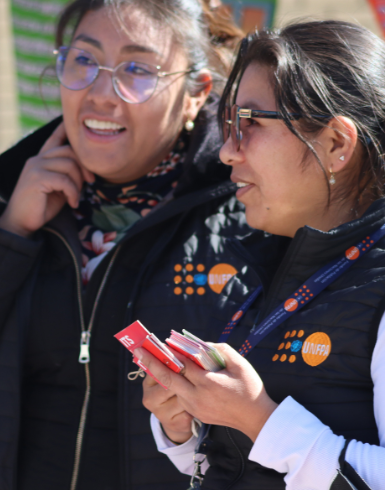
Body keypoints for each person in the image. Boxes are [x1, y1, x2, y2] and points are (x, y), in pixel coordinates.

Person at [0, 0, 252, 488]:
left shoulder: (247, 217)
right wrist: (8, 232)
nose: (102, 93)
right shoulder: (18, 206)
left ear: (195, 94)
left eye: (137, 69)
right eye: (84, 60)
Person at [139, 20, 385, 490]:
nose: (228, 151)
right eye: (227, 124)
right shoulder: (269, 260)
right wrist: (186, 428)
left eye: (249, 124)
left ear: (336, 144)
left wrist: (259, 420)